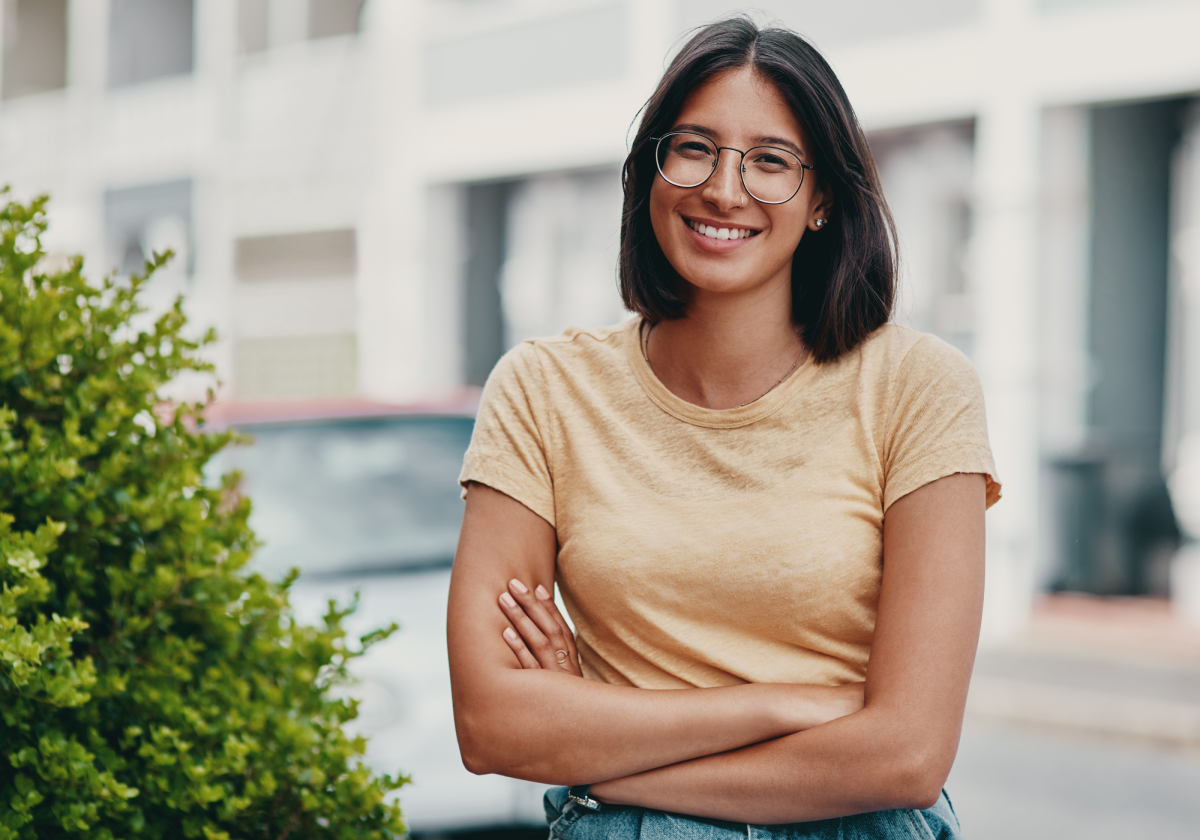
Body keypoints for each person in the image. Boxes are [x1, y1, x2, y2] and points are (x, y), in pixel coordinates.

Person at [447, 16, 1000, 839]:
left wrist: (596, 739)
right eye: (695, 147)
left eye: (771, 160)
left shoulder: (918, 389)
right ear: (651, 173)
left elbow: (908, 755)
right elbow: (493, 725)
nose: (725, 189)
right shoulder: (543, 389)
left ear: (822, 201)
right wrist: (784, 704)